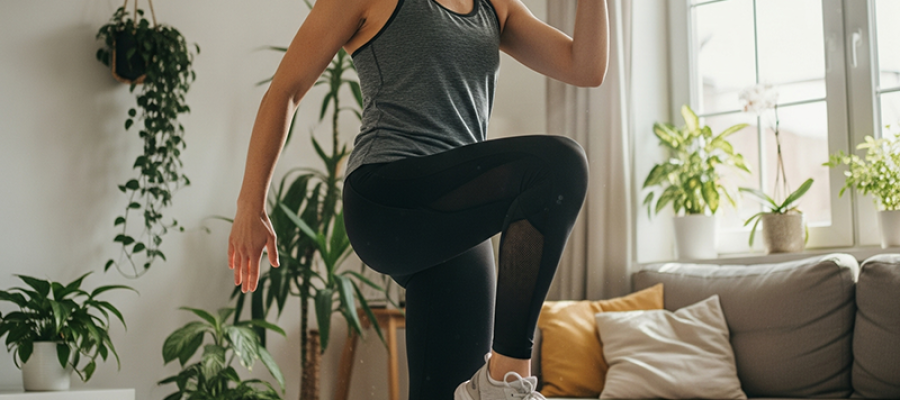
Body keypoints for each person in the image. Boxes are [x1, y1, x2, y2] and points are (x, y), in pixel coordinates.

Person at [228, 0, 609, 398]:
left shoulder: (495, 6)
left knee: (446, 392)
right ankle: (507, 377)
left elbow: (585, 67)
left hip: (455, 222)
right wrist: (250, 206)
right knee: (558, 166)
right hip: (388, 196)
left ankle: (491, 386)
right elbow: (285, 90)